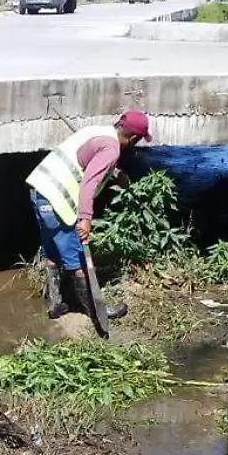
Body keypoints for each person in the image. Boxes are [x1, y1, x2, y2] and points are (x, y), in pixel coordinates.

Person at [27, 109, 152, 321]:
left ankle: (56, 304)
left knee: (52, 251)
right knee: (78, 258)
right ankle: (96, 312)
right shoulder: (111, 149)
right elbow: (88, 183)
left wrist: (112, 172)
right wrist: (85, 218)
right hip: (58, 199)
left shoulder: (97, 130)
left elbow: (85, 157)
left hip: (40, 189)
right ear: (134, 138)